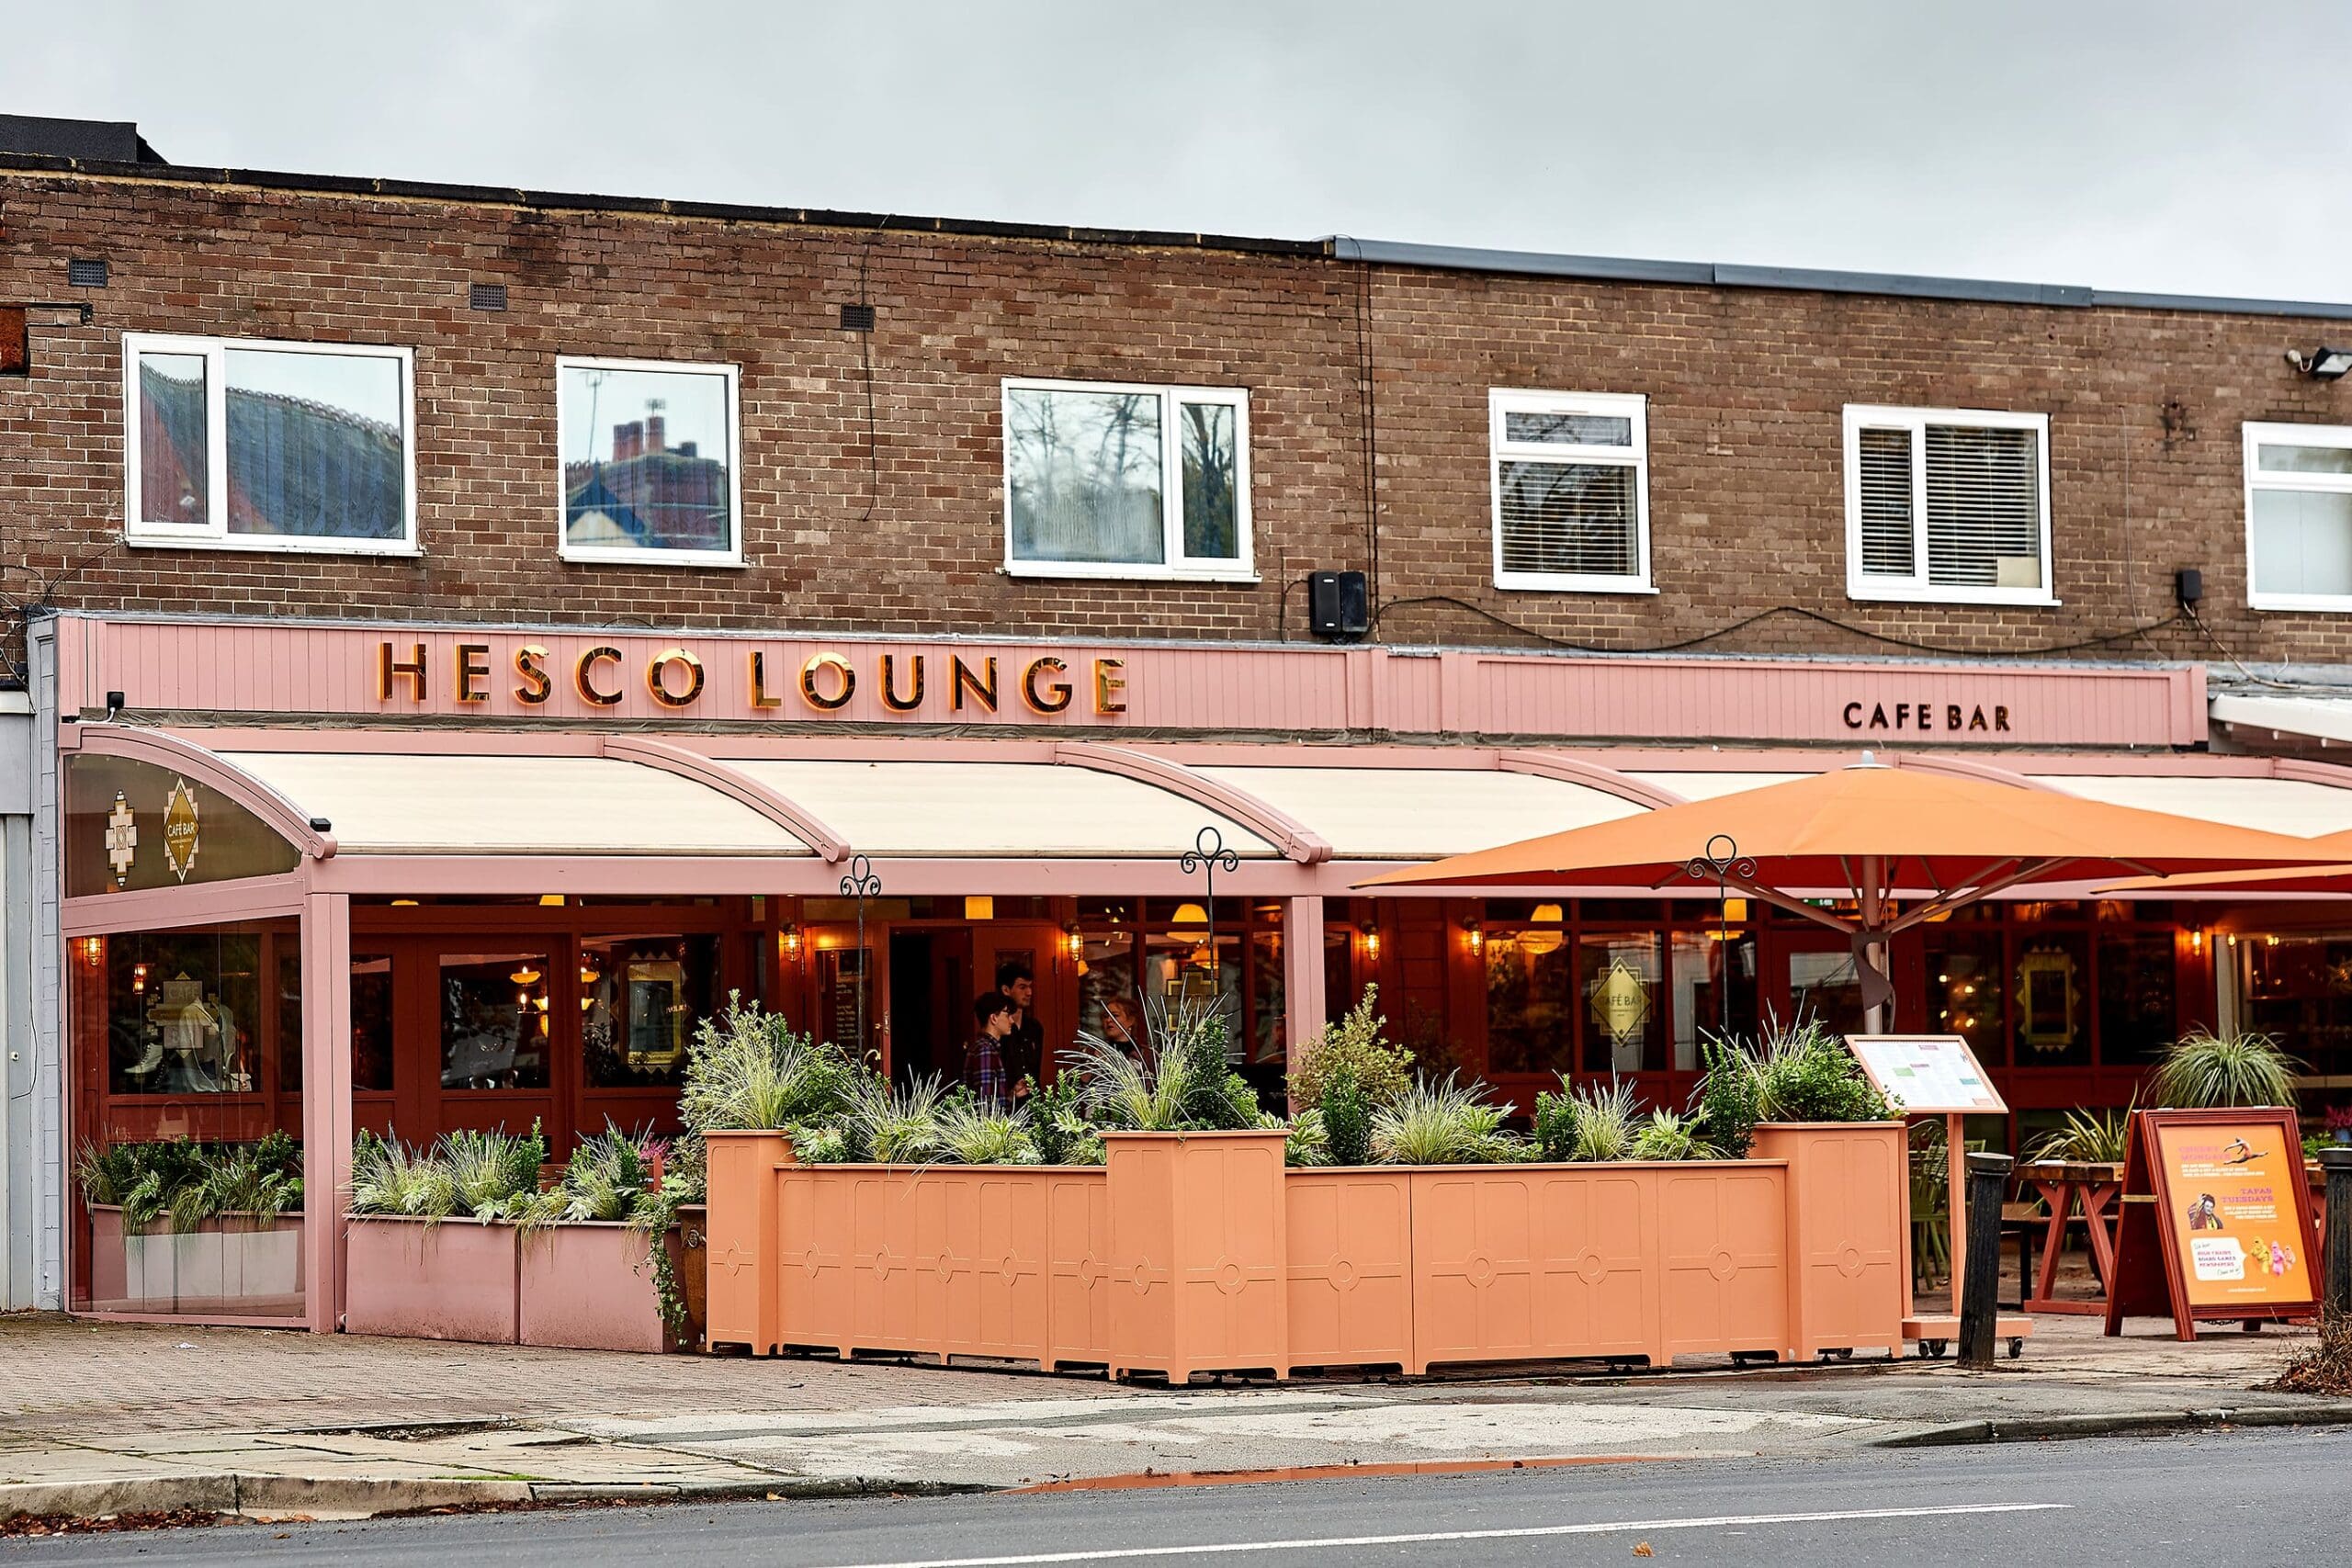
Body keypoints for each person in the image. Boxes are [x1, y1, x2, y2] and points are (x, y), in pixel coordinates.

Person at [992, 960, 1044, 1099]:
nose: (1029, 992)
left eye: (1030, 986)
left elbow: (1036, 1070)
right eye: (1022, 987)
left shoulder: (1035, 1028)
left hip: (1033, 1102)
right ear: (1006, 990)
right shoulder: (997, 1027)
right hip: (1005, 1103)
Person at [965, 993, 1017, 1110]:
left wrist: (1010, 1096)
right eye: (1007, 1015)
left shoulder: (986, 1048)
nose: (1012, 1021)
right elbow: (985, 1103)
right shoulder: (985, 1050)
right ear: (993, 1018)